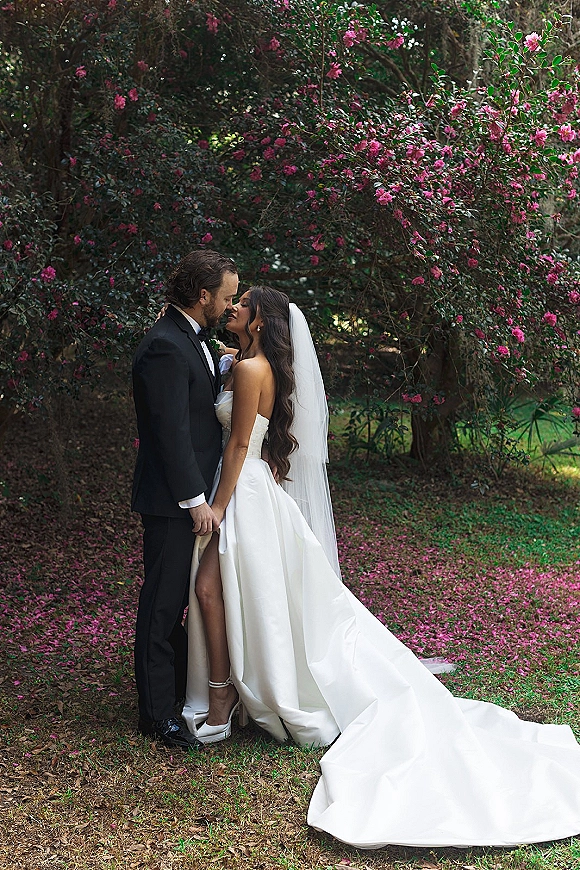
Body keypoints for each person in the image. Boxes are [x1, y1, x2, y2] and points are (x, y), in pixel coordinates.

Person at [182, 285, 580, 847]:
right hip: (254, 491)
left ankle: (228, 693)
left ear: (258, 321)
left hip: (243, 492)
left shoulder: (250, 370)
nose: (233, 308)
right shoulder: (244, 364)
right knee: (240, 590)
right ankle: (231, 691)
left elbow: (240, 443)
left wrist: (218, 506)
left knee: (220, 588)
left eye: (242, 304)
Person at [131, 249, 238, 749]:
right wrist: (195, 500)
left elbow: (195, 406)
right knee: (162, 603)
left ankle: (174, 690)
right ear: (203, 296)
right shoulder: (164, 346)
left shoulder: (187, 340)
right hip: (173, 501)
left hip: (189, 498)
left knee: (176, 601)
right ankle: (156, 716)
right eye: (227, 296)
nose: (229, 303)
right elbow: (170, 433)